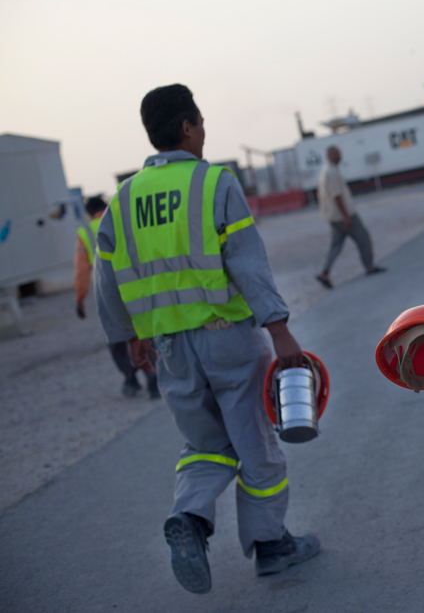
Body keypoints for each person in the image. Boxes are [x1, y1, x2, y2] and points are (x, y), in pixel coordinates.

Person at [94, 84, 320, 594]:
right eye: (201, 122)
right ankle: (271, 546)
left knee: (204, 444)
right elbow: (245, 261)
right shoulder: (213, 183)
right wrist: (280, 329)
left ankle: (190, 520)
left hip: (169, 350)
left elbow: (108, 282)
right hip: (228, 341)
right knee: (256, 442)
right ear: (188, 127)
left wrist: (129, 337)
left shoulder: (122, 201)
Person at [75, 196, 160, 399]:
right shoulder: (126, 219)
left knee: (116, 337)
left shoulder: (85, 232)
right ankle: (153, 380)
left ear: (89, 212)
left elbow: (81, 269)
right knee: (143, 331)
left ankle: (130, 379)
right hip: (136, 284)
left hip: (105, 289)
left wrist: (80, 296)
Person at [315, 145, 385, 289]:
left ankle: (324, 273)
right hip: (344, 216)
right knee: (363, 238)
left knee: (336, 246)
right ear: (329, 156)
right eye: (335, 154)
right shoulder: (331, 173)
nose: (338, 156)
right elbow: (337, 196)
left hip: (334, 217)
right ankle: (369, 267)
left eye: (339, 153)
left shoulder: (327, 170)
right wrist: (346, 217)